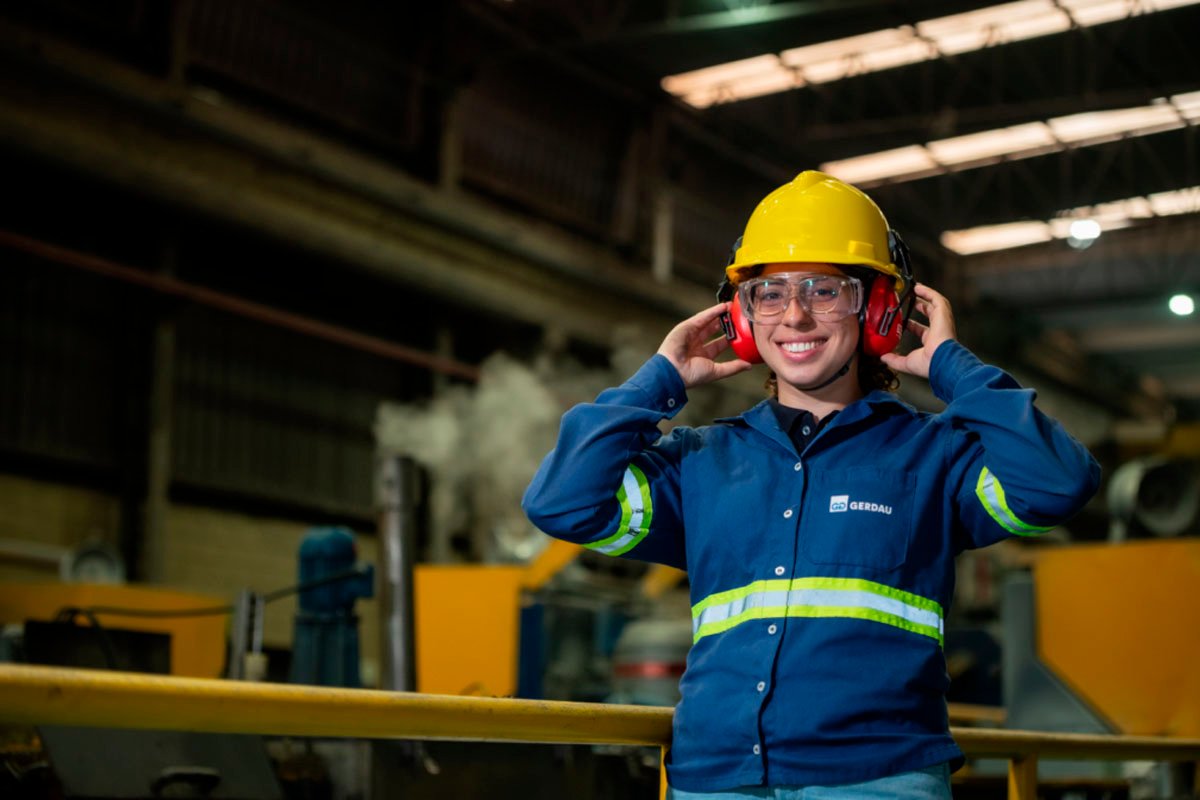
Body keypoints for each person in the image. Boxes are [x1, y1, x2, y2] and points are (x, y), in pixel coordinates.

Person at [522, 171, 1101, 799]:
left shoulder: (935, 456)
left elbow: (1059, 482)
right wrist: (661, 379)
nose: (794, 315)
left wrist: (956, 370)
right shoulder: (700, 461)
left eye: (826, 290)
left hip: (877, 780)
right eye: (768, 294)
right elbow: (563, 503)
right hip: (715, 779)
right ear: (742, 319)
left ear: (879, 309)